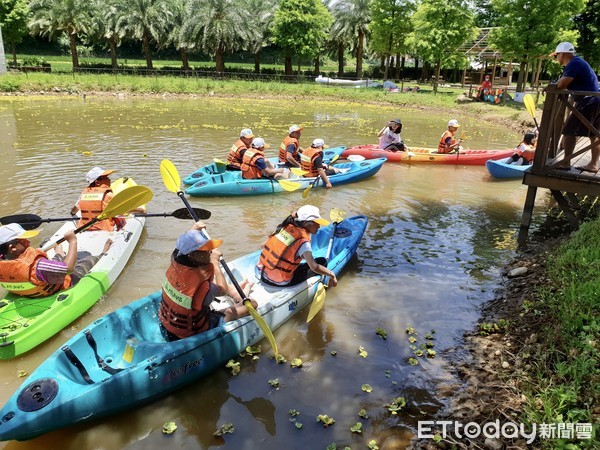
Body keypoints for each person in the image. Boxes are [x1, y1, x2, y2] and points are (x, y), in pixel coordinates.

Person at [159, 221, 256, 341]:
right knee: (252, 304)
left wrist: (194, 231)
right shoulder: (204, 287)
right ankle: (243, 295)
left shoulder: (177, 261)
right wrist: (215, 262)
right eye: (206, 251)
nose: (210, 252)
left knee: (214, 285)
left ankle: (237, 291)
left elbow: (183, 245)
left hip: (168, 324)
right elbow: (222, 290)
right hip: (192, 331)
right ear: (193, 255)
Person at [0, 223, 112, 298]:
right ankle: (103, 253)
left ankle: (60, 254)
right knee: (87, 261)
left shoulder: (3, 262)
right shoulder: (39, 265)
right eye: (23, 241)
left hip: (30, 291)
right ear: (12, 248)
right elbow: (68, 269)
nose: (28, 242)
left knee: (50, 264)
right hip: (59, 285)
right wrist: (73, 241)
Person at [256, 205, 338, 287]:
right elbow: (314, 267)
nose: (319, 226)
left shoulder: (284, 227)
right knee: (322, 262)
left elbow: (262, 245)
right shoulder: (303, 242)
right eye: (317, 223)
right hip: (280, 281)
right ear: (307, 224)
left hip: (263, 273)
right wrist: (331, 274)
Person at [550, 42, 600, 173]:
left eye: (556, 56)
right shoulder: (578, 62)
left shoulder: (573, 63)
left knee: (568, 131)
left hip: (588, 101)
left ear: (562, 54)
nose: (556, 59)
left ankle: (565, 162)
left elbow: (562, 84)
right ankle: (593, 164)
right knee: (595, 134)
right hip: (596, 100)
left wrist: (553, 86)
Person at [70, 167, 143, 231]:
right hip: (104, 229)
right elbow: (124, 209)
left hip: (84, 227)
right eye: (106, 178)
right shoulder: (108, 195)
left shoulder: (83, 194)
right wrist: (141, 210)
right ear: (97, 182)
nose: (109, 179)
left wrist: (74, 215)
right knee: (120, 218)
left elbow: (73, 211)